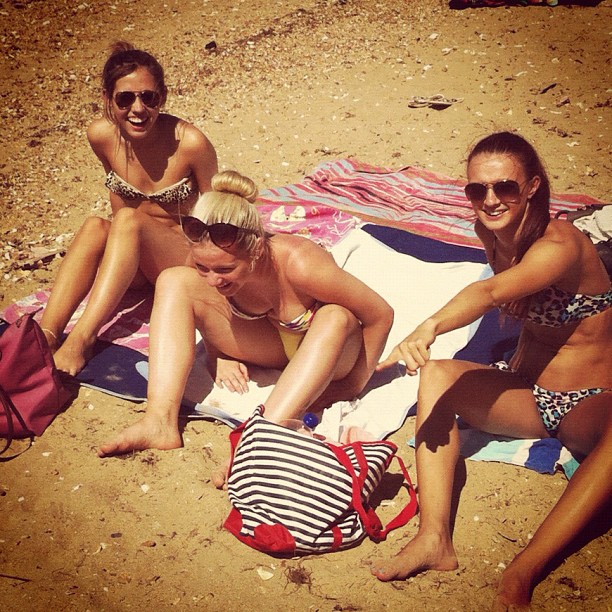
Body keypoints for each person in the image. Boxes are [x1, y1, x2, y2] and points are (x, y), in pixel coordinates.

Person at [370, 132, 611, 609]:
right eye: (477, 189)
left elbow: (490, 293)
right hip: (530, 393)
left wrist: (429, 326)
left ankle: (524, 569)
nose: (490, 200)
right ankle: (434, 538)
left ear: (533, 187)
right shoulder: (492, 234)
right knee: (436, 376)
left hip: (587, 401)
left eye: (504, 187)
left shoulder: (561, 243)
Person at [98, 170, 394, 458]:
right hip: (271, 345)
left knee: (335, 316)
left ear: (256, 250)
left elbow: (380, 315)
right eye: (204, 267)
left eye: (225, 269)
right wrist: (216, 354)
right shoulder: (206, 250)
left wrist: (352, 385)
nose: (212, 279)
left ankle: (260, 440)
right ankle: (159, 422)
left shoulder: (301, 264)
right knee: (174, 279)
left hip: (331, 351)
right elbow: (198, 301)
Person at [39, 41, 218, 375]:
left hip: (181, 262)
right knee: (95, 226)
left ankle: (81, 340)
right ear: (108, 98)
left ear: (162, 97)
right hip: (134, 264)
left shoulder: (190, 143)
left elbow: (218, 216)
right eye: (125, 99)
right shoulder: (101, 136)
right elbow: (119, 204)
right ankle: (45, 338)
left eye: (149, 97)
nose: (138, 109)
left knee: (126, 220)